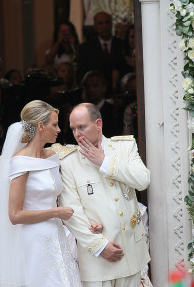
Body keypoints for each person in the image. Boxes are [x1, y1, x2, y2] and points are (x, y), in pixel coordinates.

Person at [0, 100, 82, 286]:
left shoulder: (52, 156)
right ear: (40, 126)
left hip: (56, 234)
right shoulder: (20, 163)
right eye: (54, 124)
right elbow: (15, 215)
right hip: (32, 239)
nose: (59, 129)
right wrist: (55, 213)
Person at [57, 103, 150, 287]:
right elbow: (71, 212)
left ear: (98, 124)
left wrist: (105, 162)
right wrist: (100, 246)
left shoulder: (124, 147)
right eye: (73, 128)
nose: (77, 134)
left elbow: (142, 180)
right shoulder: (69, 163)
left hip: (130, 253)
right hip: (97, 261)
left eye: (82, 127)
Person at [76, 12, 122, 96]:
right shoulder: (85, 48)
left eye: (107, 22)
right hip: (94, 95)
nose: (104, 26)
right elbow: (81, 74)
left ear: (111, 24)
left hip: (118, 94)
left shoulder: (121, 45)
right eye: (100, 23)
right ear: (95, 26)